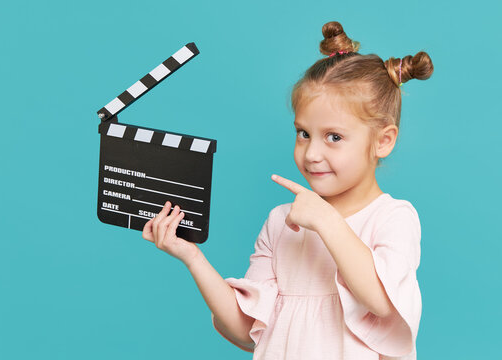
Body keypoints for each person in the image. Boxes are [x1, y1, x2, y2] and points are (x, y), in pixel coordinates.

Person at [141, 20, 434, 360]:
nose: (311, 154)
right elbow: (245, 327)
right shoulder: (282, 222)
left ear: (383, 141)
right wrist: (192, 258)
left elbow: (381, 300)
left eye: (334, 137)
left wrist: (327, 220)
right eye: (303, 133)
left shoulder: (393, 218)